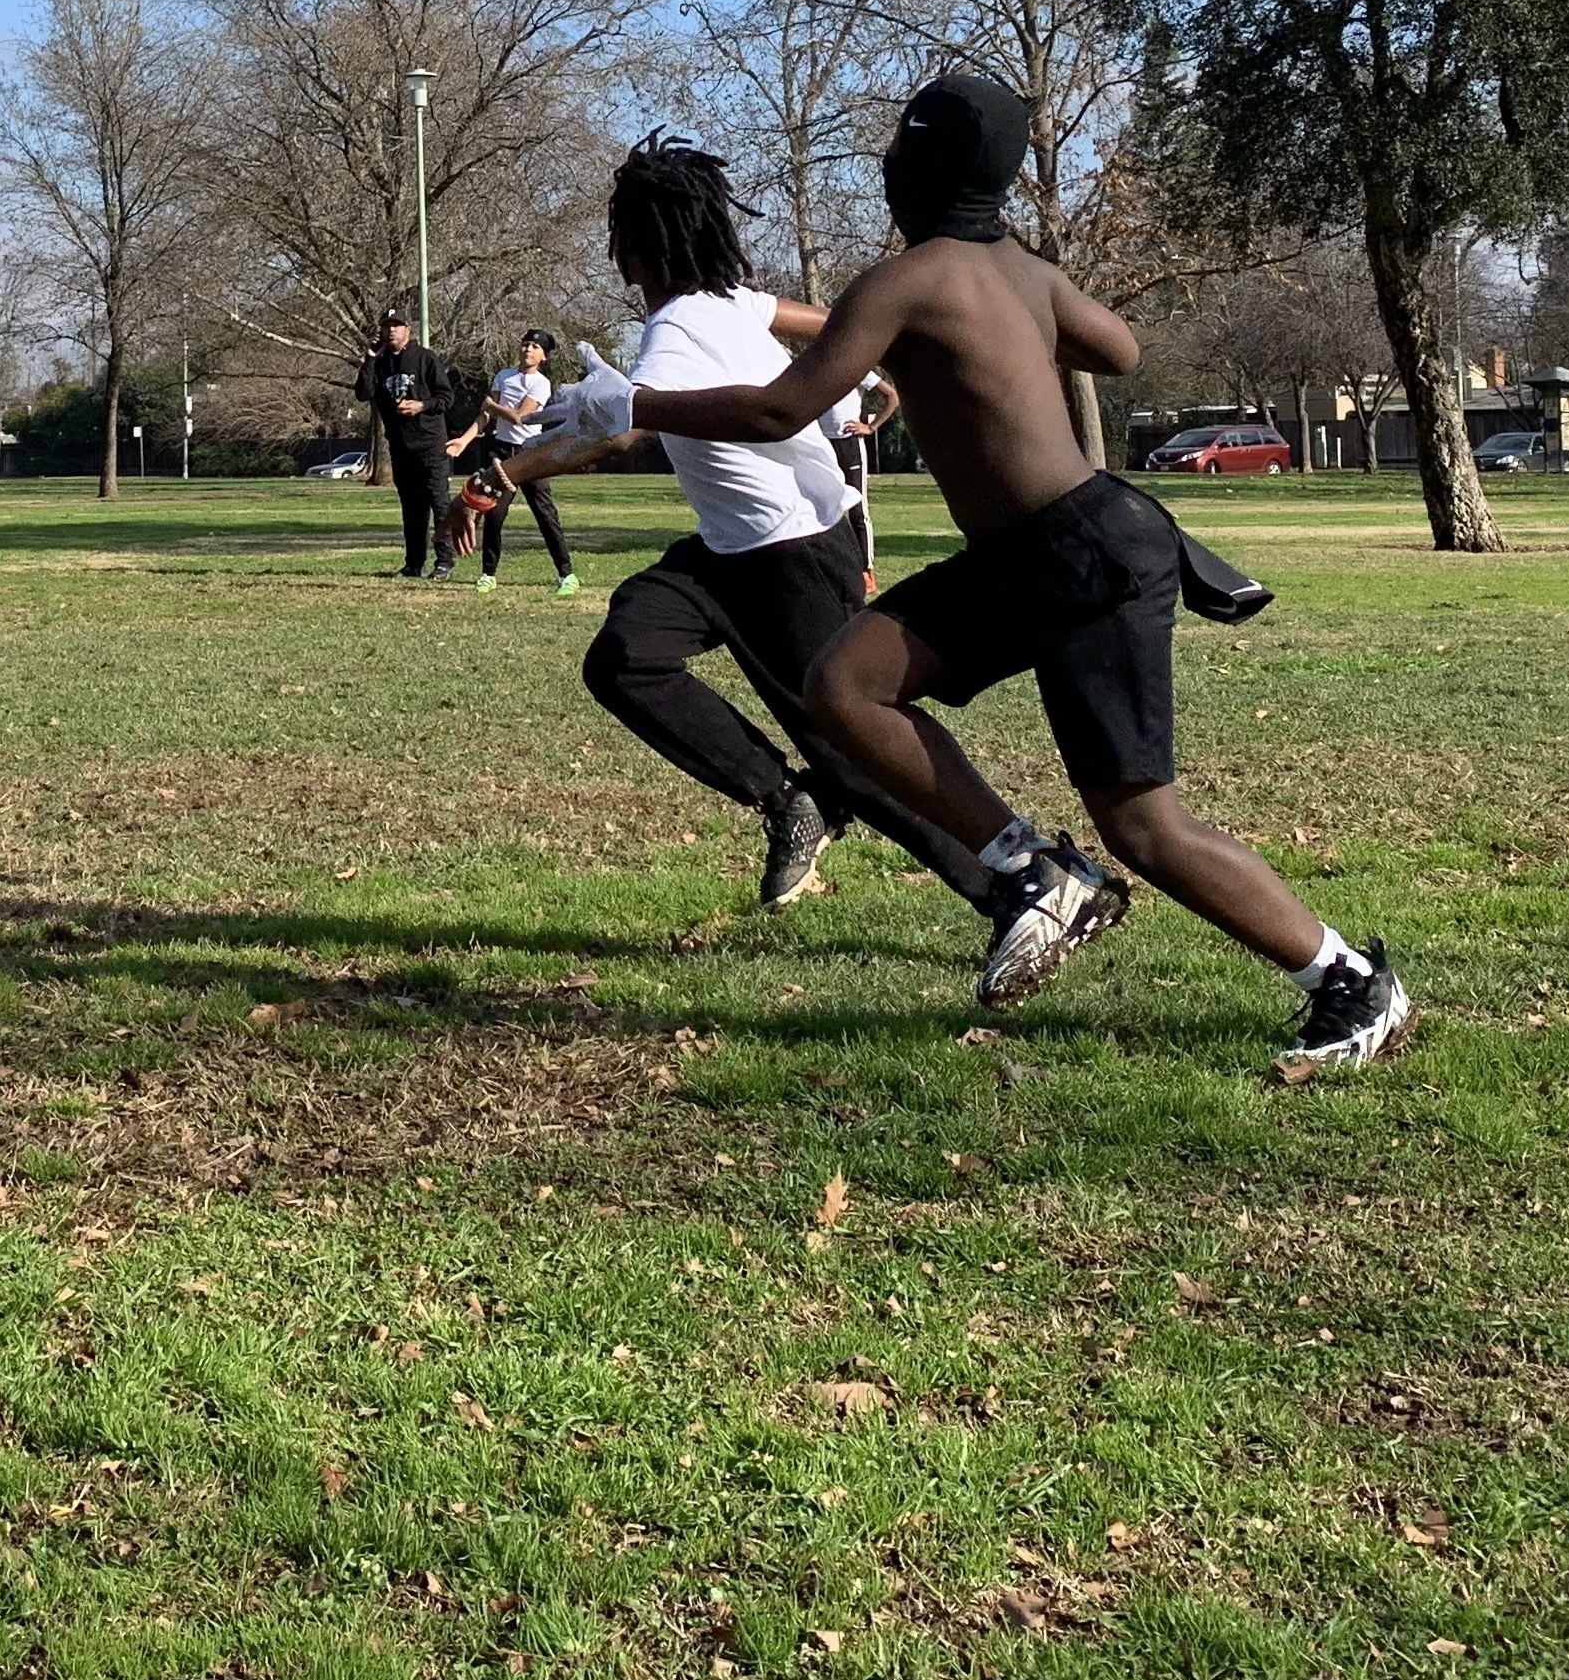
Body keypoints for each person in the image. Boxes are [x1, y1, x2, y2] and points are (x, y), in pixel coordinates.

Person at [627, 73, 1415, 1071]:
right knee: (844, 682)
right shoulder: (1018, 269)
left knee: (1146, 825)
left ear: (910, 172)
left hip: (1081, 553)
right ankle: (1032, 874)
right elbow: (1118, 347)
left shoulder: (905, 281)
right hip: (1037, 551)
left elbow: (780, 411)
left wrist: (634, 409)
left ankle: (1352, 983)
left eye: (893, 159)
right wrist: (1021, 310)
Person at [478, 135, 1125, 991]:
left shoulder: (672, 334)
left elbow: (625, 428)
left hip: (788, 556)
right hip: (726, 550)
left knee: (860, 749)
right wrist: (904, 346)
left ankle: (1027, 883)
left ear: (629, 246)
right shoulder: (740, 301)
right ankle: (790, 801)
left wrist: (511, 467)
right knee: (626, 657)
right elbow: (838, 330)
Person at [451, 327, 579, 596]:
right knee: (494, 513)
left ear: (543, 356)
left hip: (531, 453)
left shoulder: (540, 383)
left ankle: (567, 575)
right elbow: (485, 416)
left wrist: (492, 406)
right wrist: (464, 439)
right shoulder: (504, 376)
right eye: (525, 344)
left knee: (545, 515)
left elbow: (520, 416)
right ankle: (488, 574)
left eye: (535, 347)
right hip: (502, 451)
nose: (528, 349)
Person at [354, 310, 457, 581]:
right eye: (387, 326)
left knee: (439, 502)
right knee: (411, 507)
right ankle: (413, 563)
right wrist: (369, 358)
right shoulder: (381, 362)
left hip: (430, 445)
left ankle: (445, 561)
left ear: (407, 330)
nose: (391, 331)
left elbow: (446, 398)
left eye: (397, 326)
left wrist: (421, 405)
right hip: (401, 446)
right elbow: (363, 393)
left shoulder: (425, 358)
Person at [829, 370, 900, 596]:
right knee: (827, 510)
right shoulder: (817, 362)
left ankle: (865, 571)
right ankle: (834, 567)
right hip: (823, 445)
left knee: (857, 511)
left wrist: (870, 427)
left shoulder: (856, 365)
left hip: (850, 445)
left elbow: (892, 397)